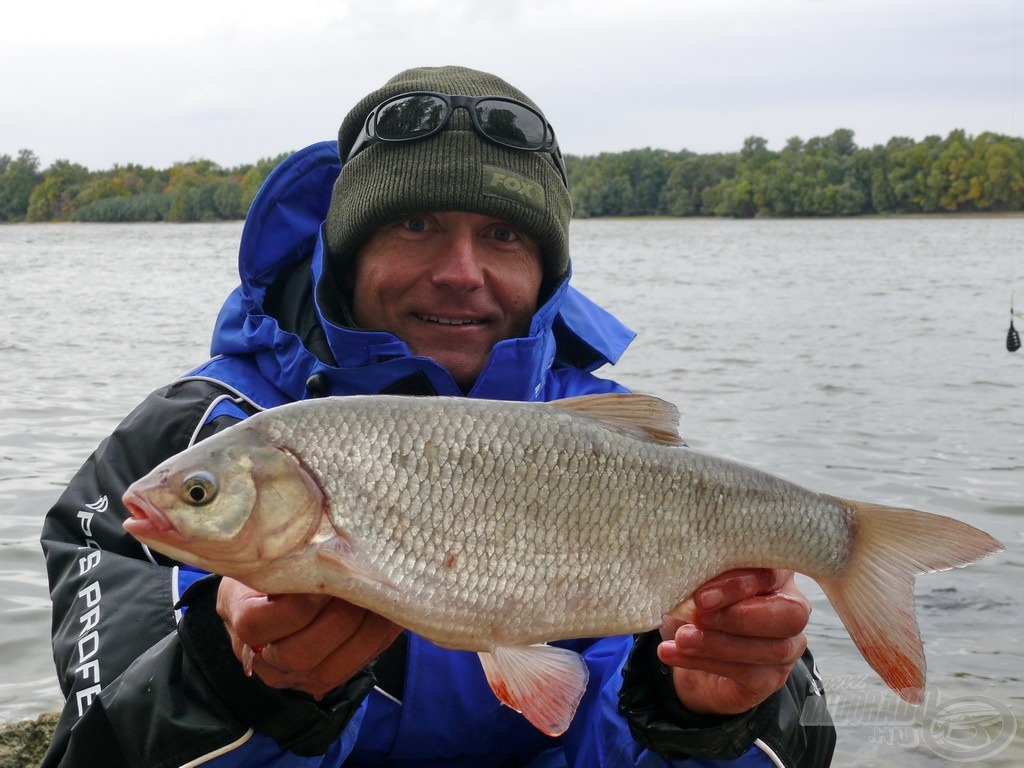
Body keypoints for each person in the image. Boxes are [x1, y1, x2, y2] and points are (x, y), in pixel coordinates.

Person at [40, 66, 836, 767]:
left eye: (502, 234)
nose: (461, 274)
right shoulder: (193, 441)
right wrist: (232, 688)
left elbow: (791, 742)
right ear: (348, 251)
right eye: (415, 225)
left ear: (546, 271)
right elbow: (99, 747)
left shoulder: (613, 458)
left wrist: (701, 714)